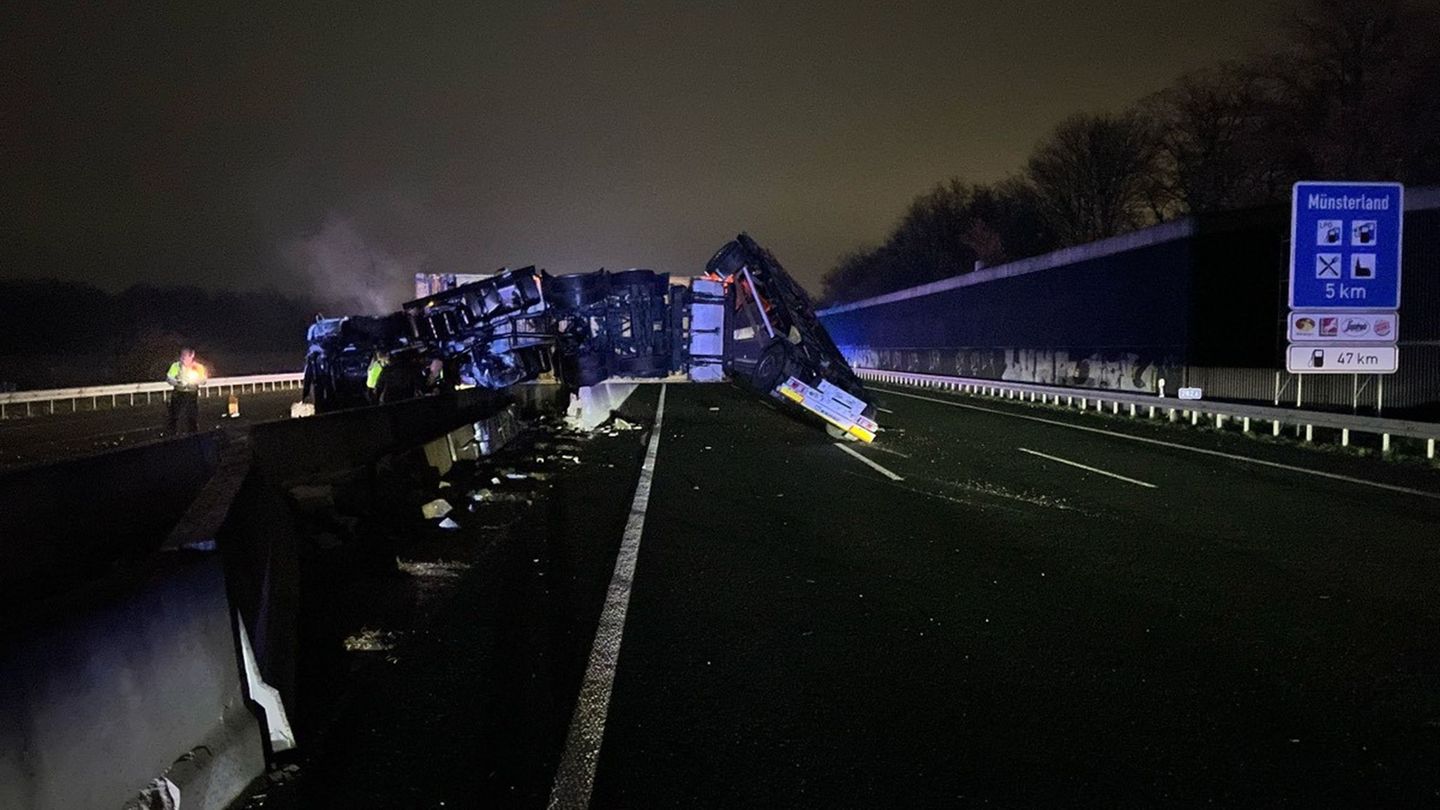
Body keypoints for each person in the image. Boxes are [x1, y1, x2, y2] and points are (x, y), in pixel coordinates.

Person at [165, 347, 208, 434]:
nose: (183, 358)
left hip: (192, 393)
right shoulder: (176, 366)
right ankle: (172, 433)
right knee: (174, 414)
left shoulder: (198, 367)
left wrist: (194, 381)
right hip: (178, 392)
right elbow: (169, 378)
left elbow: (203, 380)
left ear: (192, 355)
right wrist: (177, 382)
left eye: (186, 356)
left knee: (192, 415)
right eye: (182, 356)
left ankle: (193, 433)